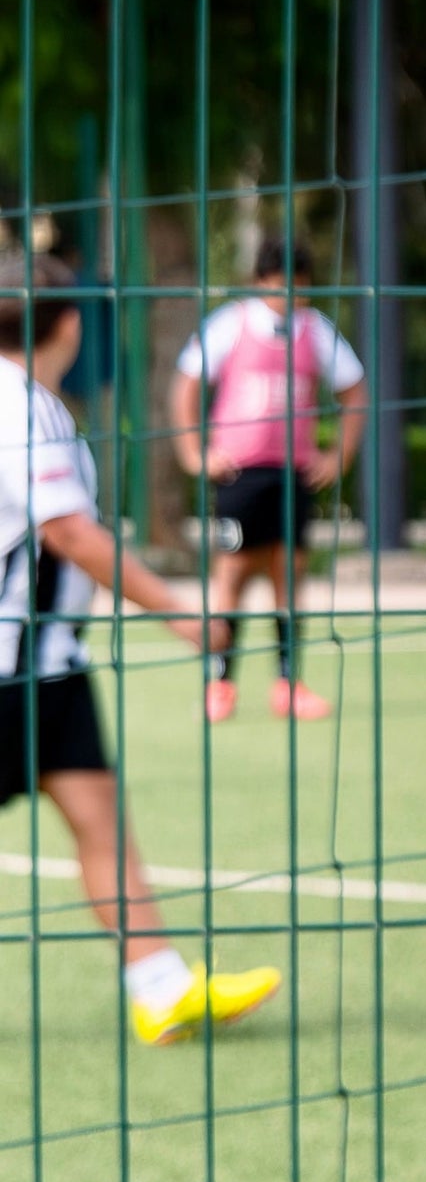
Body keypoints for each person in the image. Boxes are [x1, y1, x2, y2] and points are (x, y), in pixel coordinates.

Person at [0, 254, 282, 1047]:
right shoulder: (25, 408)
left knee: (100, 820)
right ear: (71, 323)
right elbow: (70, 532)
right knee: (97, 821)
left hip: (47, 667)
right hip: (12, 670)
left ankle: (159, 986)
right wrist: (178, 612)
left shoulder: (27, 402)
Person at [168, 237, 366, 724]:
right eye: (281, 287)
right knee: (230, 577)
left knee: (290, 576)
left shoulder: (316, 331)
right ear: (260, 283)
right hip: (239, 475)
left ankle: (288, 684)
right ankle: (220, 683)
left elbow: (355, 391)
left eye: (300, 288)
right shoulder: (230, 324)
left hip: (292, 475)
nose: (291, 297)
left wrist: (338, 454)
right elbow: (185, 384)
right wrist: (194, 452)